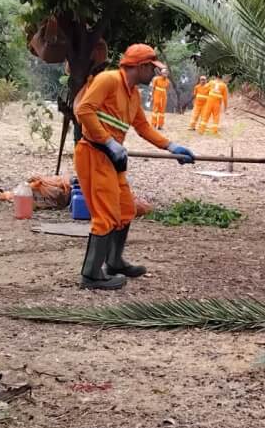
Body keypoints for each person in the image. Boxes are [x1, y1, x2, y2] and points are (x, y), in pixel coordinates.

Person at [74, 44, 196, 289]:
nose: (154, 75)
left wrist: (171, 147)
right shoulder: (108, 80)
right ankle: (91, 275)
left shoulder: (133, 94)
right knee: (106, 214)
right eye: (153, 69)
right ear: (140, 67)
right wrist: (108, 141)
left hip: (114, 158)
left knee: (125, 209)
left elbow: (142, 126)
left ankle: (115, 261)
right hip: (94, 153)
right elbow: (84, 110)